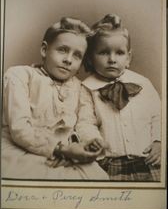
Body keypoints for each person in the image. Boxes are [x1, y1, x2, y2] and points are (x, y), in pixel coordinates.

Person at [2, 17, 108, 180]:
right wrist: (60, 149)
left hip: (69, 154)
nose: (68, 60)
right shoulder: (19, 75)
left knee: (99, 179)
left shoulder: (80, 88)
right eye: (63, 50)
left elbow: (85, 124)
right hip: (23, 150)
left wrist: (92, 142)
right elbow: (19, 128)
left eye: (77, 55)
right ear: (45, 50)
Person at [82, 14, 161, 181]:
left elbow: (158, 116)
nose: (112, 59)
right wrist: (92, 139)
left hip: (147, 159)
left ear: (128, 58)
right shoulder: (87, 88)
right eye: (103, 52)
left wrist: (159, 142)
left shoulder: (142, 83)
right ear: (90, 57)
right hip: (109, 163)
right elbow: (85, 122)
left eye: (119, 53)